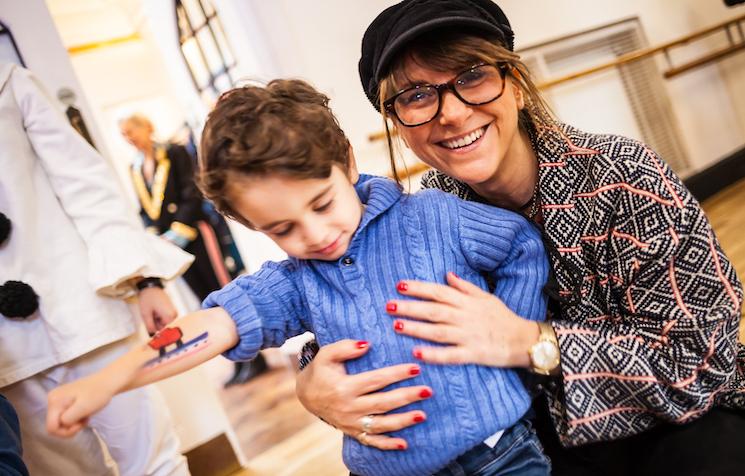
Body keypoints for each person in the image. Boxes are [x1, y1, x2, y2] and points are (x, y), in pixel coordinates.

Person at [293, 1, 745, 474]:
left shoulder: (626, 177)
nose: (450, 113)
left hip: (679, 428)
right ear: (397, 124)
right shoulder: (422, 217)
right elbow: (362, 303)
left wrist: (530, 343)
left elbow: (700, 364)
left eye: (471, 75)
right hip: (532, 442)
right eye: (417, 95)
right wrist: (313, 382)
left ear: (516, 86)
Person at [47, 79, 553, 476]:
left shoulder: (434, 217)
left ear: (347, 162)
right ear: (250, 225)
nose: (316, 235)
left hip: (500, 456)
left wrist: (510, 333)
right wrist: (108, 381)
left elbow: (520, 245)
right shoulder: (293, 282)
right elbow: (210, 327)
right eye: (282, 228)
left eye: (323, 203)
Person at [0, 63, 192, 475]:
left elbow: (86, 184)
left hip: (84, 308)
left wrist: (145, 278)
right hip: (8, 357)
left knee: (155, 459)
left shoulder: (10, 82)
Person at [119, 113, 268, 384]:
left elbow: (192, 191)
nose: (129, 138)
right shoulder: (135, 168)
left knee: (222, 291)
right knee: (204, 301)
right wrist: (153, 238)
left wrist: (177, 232)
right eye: (124, 134)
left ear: (148, 127)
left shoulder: (174, 153)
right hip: (172, 248)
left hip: (196, 235)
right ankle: (235, 359)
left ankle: (255, 358)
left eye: (132, 131)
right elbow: (146, 210)